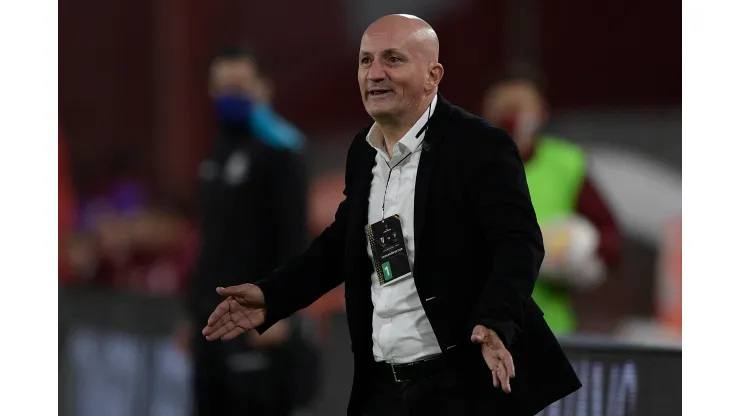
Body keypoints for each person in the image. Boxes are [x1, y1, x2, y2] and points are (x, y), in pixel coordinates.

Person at [202, 15, 581, 416]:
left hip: (462, 384)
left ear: (433, 75)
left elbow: (519, 242)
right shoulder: (363, 152)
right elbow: (340, 244)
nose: (375, 74)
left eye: (393, 60)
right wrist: (272, 295)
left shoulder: (478, 145)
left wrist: (496, 320)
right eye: (366, 61)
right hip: (384, 386)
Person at [187, 45, 317, 416]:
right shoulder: (216, 150)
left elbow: (294, 238)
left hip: (255, 322)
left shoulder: (282, 150)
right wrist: (192, 313)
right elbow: (211, 242)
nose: (232, 96)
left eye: (240, 87)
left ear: (264, 88)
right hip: (211, 321)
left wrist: (282, 311)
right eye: (223, 87)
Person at [481, 65, 622, 334]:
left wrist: (582, 257)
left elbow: (610, 238)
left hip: (548, 329)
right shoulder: (464, 162)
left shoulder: (567, 164)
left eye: (521, 107)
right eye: (503, 108)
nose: (512, 117)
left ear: (541, 113)